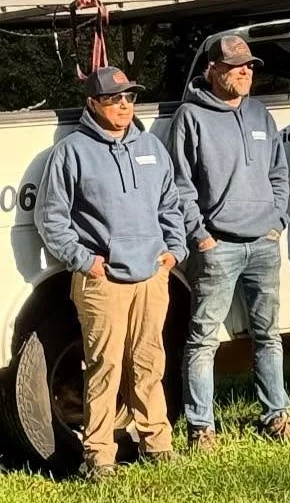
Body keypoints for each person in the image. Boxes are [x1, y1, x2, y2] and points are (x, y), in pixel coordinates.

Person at [37, 66, 188, 481]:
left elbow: (170, 203)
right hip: (102, 281)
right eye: (113, 99)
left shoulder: (151, 147)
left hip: (151, 276)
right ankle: (99, 457)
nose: (124, 105)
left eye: (129, 97)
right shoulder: (71, 152)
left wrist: (174, 250)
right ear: (92, 104)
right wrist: (86, 261)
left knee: (148, 362)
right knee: (104, 368)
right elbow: (52, 218)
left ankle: (157, 443)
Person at [169, 34, 290, 450]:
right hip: (217, 246)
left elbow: (280, 173)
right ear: (213, 70)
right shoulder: (191, 116)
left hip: (263, 242)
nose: (245, 72)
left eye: (250, 66)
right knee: (204, 339)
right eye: (236, 65)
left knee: (268, 335)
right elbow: (181, 185)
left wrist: (276, 220)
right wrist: (200, 236)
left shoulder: (261, 115)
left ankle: (276, 415)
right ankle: (201, 428)